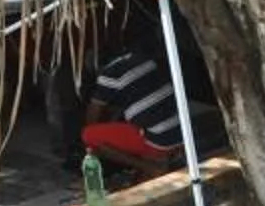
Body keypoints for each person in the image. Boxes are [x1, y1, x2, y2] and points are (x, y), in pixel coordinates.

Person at [81, 21, 205, 174]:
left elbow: (92, 118)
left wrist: (92, 132)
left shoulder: (108, 75)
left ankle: (151, 167)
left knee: (90, 135)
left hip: (161, 141)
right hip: (183, 131)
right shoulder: (141, 59)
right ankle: (167, 157)